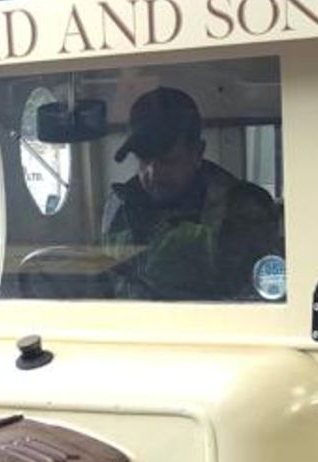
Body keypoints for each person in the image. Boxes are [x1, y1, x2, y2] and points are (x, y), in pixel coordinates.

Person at [101, 86, 282, 301]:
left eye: (167, 161)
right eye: (144, 159)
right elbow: (104, 286)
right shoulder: (119, 206)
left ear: (197, 153)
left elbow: (264, 300)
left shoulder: (242, 209)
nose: (153, 173)